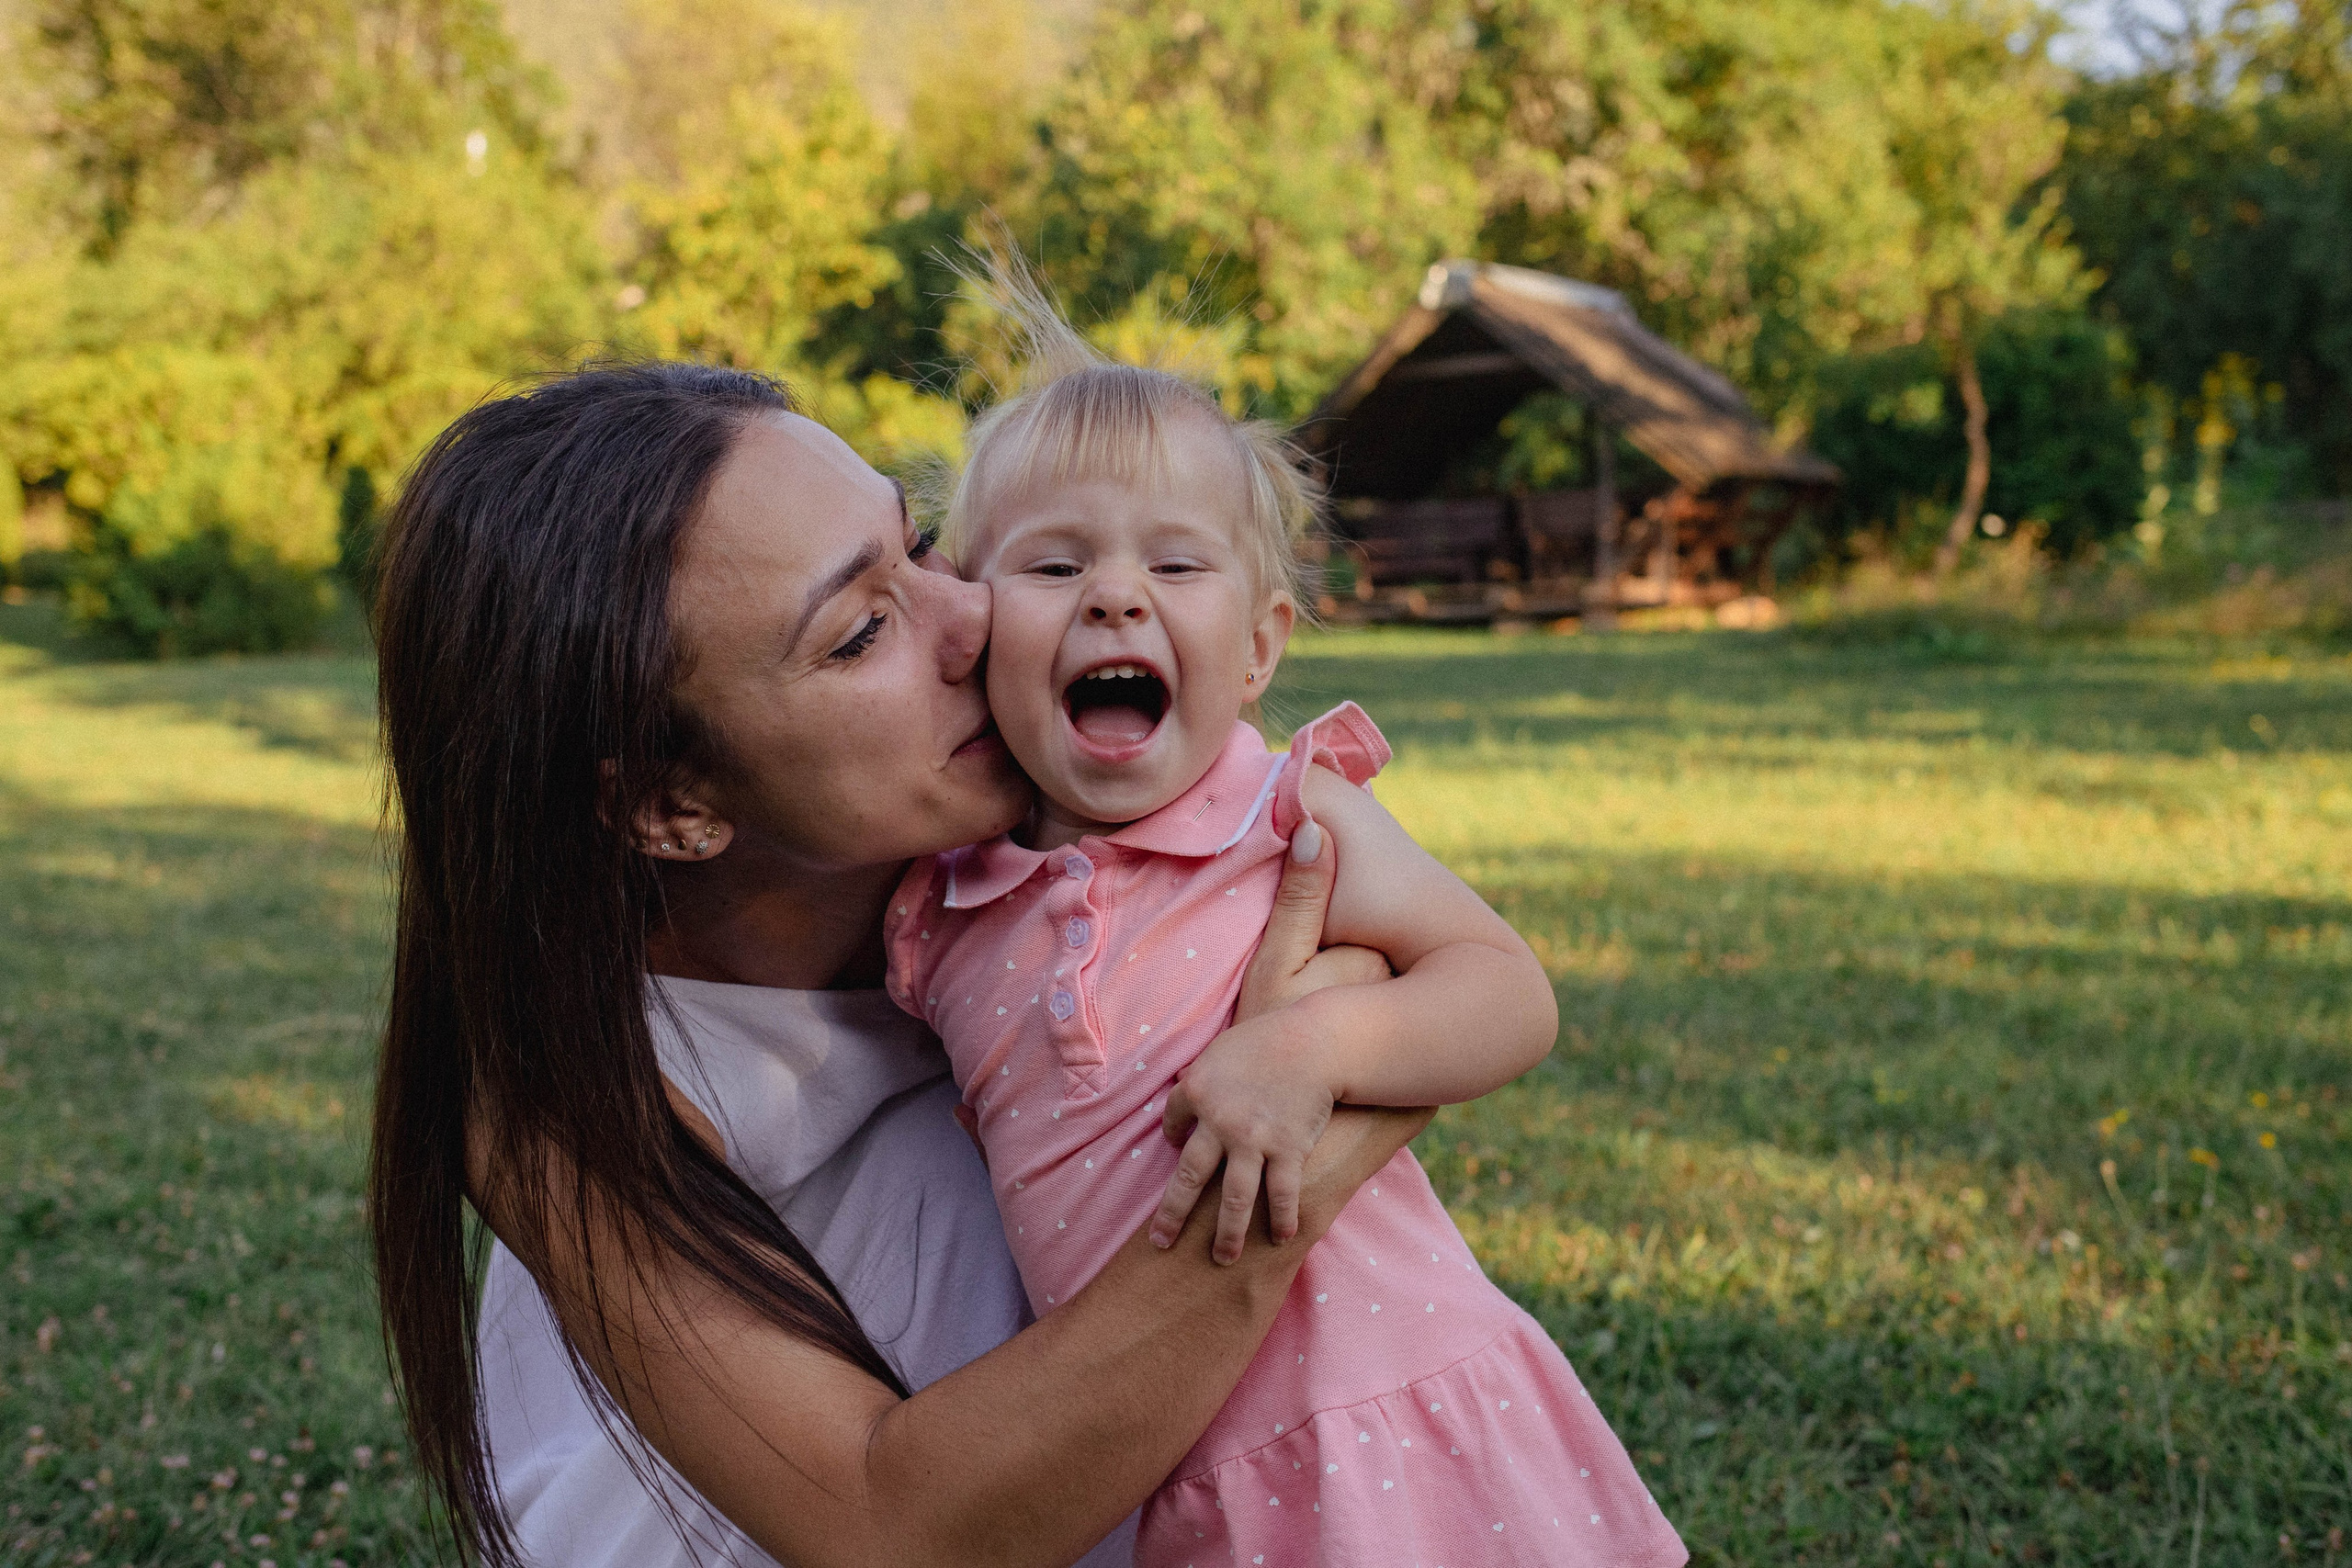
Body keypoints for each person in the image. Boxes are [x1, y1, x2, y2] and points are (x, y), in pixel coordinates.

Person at [367, 360, 1436, 1568]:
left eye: (919, 543)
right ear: (668, 800)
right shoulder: (579, 1110)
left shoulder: (1055, 865)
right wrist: (1275, 1167)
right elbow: (892, 1531)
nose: (973, 616)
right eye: (862, 631)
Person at [883, 267, 1688, 1567]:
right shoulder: (943, 905)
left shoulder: (1281, 813)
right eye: (1055, 562)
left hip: (1393, 1410)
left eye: (1175, 562)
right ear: (973, 630)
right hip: (1166, 1458)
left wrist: (1310, 1050)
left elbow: (1506, 991)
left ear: (1258, 648)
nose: (1115, 596)